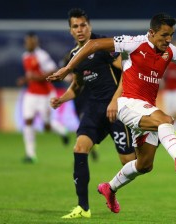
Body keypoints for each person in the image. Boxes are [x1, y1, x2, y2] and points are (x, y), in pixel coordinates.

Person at [47, 13, 176, 213]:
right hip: (127, 104)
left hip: (145, 109)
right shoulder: (133, 43)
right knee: (165, 119)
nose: (168, 40)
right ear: (151, 33)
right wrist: (67, 68)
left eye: (170, 35)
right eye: (164, 35)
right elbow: (93, 45)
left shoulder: (170, 51)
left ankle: (109, 188)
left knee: (144, 165)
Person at [49, 8, 136, 219]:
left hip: (116, 109)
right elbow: (77, 87)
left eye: (83, 25)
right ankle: (83, 208)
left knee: (130, 162)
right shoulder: (73, 56)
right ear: (70, 31)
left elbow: (128, 72)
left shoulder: (104, 46)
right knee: (79, 148)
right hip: (94, 109)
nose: (80, 30)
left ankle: (156, 136)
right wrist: (62, 99)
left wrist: (115, 101)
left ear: (90, 27)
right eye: (75, 26)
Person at [17, 31, 69, 163]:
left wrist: (37, 78)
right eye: (27, 42)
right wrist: (24, 80)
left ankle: (62, 131)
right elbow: (31, 76)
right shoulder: (25, 56)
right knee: (28, 120)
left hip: (45, 95)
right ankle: (30, 154)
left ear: (36, 42)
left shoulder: (42, 55)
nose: (29, 44)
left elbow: (52, 71)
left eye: (31, 42)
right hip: (30, 94)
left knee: (46, 127)